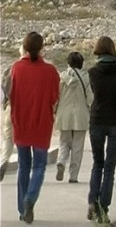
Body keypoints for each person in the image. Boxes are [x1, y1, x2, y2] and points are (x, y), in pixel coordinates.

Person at [10, 32, 60, 223]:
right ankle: (30, 198)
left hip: (21, 123)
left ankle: (22, 209)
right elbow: (55, 98)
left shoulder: (16, 68)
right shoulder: (50, 71)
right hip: (42, 124)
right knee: (39, 165)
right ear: (42, 48)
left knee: (24, 165)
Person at [87, 36, 116, 223]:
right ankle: (103, 208)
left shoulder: (92, 72)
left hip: (96, 119)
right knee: (110, 168)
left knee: (98, 163)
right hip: (115, 121)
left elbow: (94, 95)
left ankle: (92, 200)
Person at [55, 51, 93, 183]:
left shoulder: (61, 77)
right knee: (78, 146)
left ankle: (61, 161)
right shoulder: (86, 78)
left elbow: (56, 97)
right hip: (80, 115)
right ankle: (73, 175)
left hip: (64, 114)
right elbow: (90, 98)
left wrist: (55, 111)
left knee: (64, 142)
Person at [0, 45, 25, 183]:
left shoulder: (10, 69)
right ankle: (23, 168)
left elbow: (4, 89)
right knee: (23, 140)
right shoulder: (29, 69)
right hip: (25, 109)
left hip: (10, 107)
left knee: (7, 139)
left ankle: (3, 161)